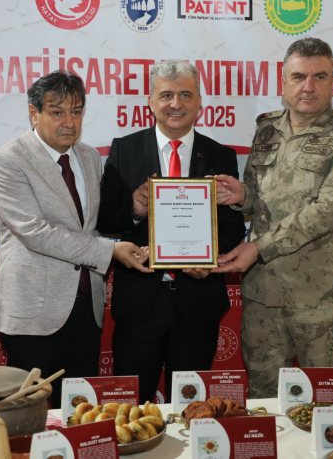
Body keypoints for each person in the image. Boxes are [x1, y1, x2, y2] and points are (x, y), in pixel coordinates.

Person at [213, 38, 333, 398]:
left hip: (319, 299)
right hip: (263, 296)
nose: (309, 86)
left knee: (328, 404)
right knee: (265, 400)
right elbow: (260, 197)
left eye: (320, 77)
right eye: (299, 76)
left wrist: (258, 248)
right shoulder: (267, 129)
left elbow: (328, 210)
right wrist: (242, 196)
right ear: (283, 81)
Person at [0, 71, 151, 407]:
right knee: (30, 414)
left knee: (79, 412)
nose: (69, 122)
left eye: (76, 112)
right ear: (34, 113)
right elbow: (35, 232)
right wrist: (111, 250)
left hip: (86, 309)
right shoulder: (6, 161)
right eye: (57, 112)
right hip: (34, 311)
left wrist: (134, 214)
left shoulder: (89, 157)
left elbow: (91, 225)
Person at [98, 60, 246, 403]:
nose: (175, 104)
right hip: (140, 304)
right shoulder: (124, 149)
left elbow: (232, 226)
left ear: (199, 102)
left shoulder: (221, 156)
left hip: (197, 304)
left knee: (192, 408)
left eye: (185, 95)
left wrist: (209, 258)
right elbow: (105, 220)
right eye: (166, 95)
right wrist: (135, 211)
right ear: (151, 102)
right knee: (133, 408)